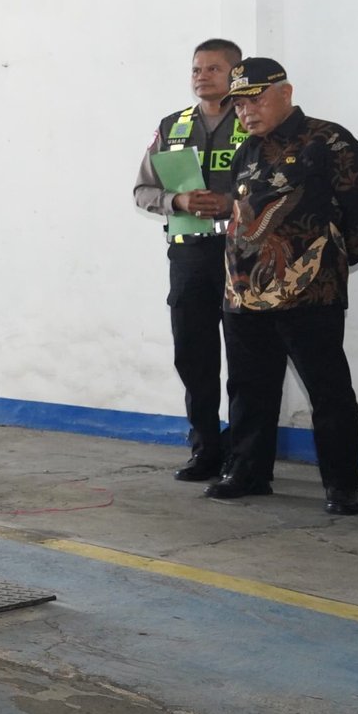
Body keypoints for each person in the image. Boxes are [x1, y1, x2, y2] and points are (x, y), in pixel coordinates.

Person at [206, 58, 358, 514]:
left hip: (309, 294)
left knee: (329, 392)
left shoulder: (329, 141)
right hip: (244, 295)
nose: (246, 112)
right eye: (239, 104)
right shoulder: (247, 153)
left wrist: (331, 264)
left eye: (256, 99)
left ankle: (342, 486)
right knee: (248, 388)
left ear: (285, 92)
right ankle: (247, 472)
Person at [134, 38, 247, 482]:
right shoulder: (173, 126)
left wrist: (232, 203)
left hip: (244, 255)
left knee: (247, 359)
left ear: (234, 75)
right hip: (190, 256)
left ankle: (245, 455)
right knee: (194, 356)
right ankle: (205, 450)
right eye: (197, 69)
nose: (202, 76)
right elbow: (142, 191)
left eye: (214, 69)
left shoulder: (253, 120)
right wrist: (177, 199)